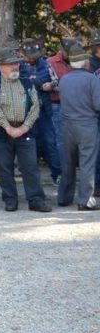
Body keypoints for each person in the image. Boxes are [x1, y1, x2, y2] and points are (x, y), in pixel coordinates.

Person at [0, 48, 51, 213]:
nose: (15, 67)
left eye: (16, 64)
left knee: (30, 166)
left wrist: (24, 127)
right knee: (4, 167)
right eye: (10, 64)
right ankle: (10, 200)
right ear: (0, 66)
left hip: (25, 129)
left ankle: (36, 200)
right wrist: (7, 127)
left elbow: (36, 105)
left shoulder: (27, 81)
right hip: (0, 131)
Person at [55, 43, 100, 211]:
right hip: (87, 125)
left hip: (67, 124)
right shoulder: (92, 79)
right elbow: (98, 104)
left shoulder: (64, 80)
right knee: (87, 163)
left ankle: (64, 197)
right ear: (86, 63)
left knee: (68, 163)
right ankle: (85, 200)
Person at [22, 39, 62, 185]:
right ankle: (31, 180)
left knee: (50, 143)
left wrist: (49, 86)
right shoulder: (19, 67)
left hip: (44, 111)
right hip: (25, 112)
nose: (32, 59)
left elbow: (57, 83)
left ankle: (57, 175)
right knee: (30, 145)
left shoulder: (46, 65)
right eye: (29, 56)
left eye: (34, 56)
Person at [46, 39, 76, 172]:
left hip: (74, 105)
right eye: (67, 52)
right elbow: (49, 84)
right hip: (57, 104)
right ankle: (64, 171)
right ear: (61, 49)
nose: (69, 55)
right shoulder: (51, 62)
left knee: (73, 138)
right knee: (60, 139)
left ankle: (72, 167)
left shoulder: (76, 61)